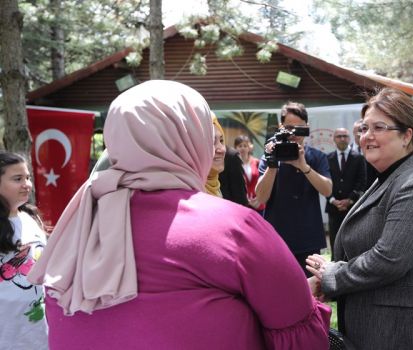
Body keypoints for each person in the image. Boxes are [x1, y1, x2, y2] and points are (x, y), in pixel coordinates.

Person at [27, 80, 330, 349]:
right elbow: (300, 336)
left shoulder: (78, 223)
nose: (215, 146)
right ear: (192, 138)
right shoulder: (233, 226)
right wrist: (306, 294)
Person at [306, 88, 413, 349]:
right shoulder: (389, 178)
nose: (367, 136)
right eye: (364, 128)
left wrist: (332, 275)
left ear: (406, 135)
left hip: (410, 335)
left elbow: (389, 259)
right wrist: (332, 277)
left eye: (379, 127)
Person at [255, 101, 333, 276]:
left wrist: (304, 166)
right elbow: (260, 197)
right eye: (289, 128)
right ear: (281, 127)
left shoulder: (317, 157)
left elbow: (328, 190)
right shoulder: (270, 157)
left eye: (299, 128)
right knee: (278, 290)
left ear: (307, 127)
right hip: (277, 237)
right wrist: (273, 164)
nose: (294, 134)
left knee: (310, 294)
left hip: (308, 236)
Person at [0, 152, 48, 349]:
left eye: (27, 177)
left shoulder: (31, 218)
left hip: (37, 333)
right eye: (17, 179)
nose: (27, 184)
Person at [326, 128, 366, 259]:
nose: (342, 139)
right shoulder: (327, 158)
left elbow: (362, 181)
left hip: (353, 208)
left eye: (344, 136)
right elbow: (325, 182)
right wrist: (332, 200)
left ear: (349, 138)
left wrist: (350, 200)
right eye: (339, 136)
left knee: (352, 243)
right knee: (335, 242)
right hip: (333, 208)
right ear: (334, 139)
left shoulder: (359, 158)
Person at [234, 135, 265, 211]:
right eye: (240, 146)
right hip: (241, 203)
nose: (242, 148)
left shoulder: (256, 162)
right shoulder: (233, 164)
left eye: (245, 146)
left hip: (257, 203)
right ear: (235, 148)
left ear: (249, 147)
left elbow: (262, 181)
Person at [204, 117, 227, 197]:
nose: (222, 149)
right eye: (212, 142)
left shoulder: (214, 184)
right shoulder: (185, 193)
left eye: (221, 141)